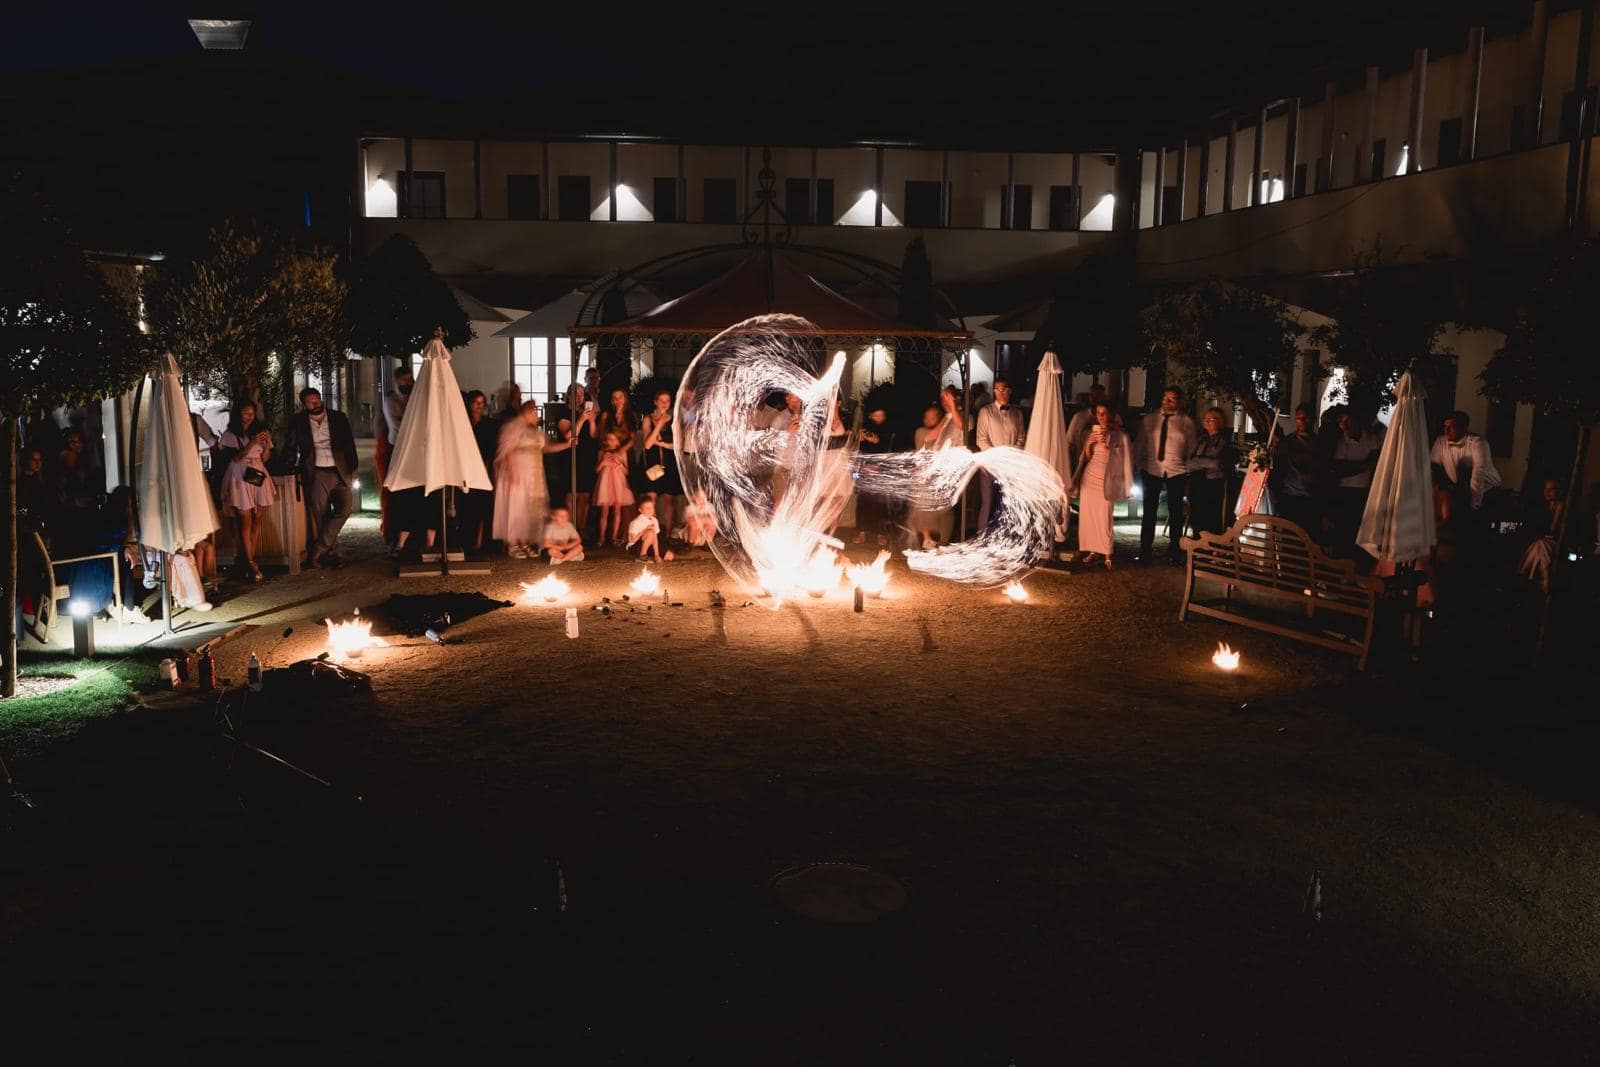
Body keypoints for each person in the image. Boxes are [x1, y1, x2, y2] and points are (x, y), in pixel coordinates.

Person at [286, 387, 358, 568]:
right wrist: (289, 467)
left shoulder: (338, 418)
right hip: (316, 472)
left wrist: (353, 468)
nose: (315, 403)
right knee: (321, 515)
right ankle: (331, 554)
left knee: (345, 509)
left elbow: (349, 444)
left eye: (317, 399)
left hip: (340, 470)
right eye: (310, 402)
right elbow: (291, 447)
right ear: (304, 404)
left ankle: (319, 549)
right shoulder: (298, 422)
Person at [493, 400, 573, 559]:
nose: (536, 415)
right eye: (534, 411)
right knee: (516, 506)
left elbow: (544, 447)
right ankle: (513, 543)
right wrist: (513, 470)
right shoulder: (513, 427)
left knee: (528, 508)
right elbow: (507, 449)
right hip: (518, 473)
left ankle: (525, 542)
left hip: (534, 474)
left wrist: (566, 445)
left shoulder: (535, 431)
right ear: (527, 411)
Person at [1130, 386, 1196, 564]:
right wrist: (1139, 465)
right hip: (1152, 469)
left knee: (1176, 512)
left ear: (1180, 401)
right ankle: (1145, 551)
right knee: (1149, 511)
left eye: (1172, 399)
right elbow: (1140, 444)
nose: (1167, 401)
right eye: (1165, 398)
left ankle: (1175, 551)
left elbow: (1192, 448)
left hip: (1177, 470)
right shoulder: (1149, 419)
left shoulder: (1187, 422)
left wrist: (1188, 469)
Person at [217, 401, 276, 581]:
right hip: (239, 474)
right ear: (238, 414)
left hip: (257, 473)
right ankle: (249, 562)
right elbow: (235, 458)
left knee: (257, 517)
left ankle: (250, 558)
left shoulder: (259, 432)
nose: (250, 416)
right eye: (246, 413)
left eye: (252, 413)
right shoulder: (230, 435)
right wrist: (251, 443)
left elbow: (265, 458)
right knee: (245, 518)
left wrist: (266, 444)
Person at [1075, 401, 1132, 567]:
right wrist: (1089, 444)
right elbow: (1087, 458)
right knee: (1089, 516)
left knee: (1105, 516)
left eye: (1104, 413)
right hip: (1090, 477)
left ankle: (1107, 554)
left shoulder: (1120, 435)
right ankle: (1092, 551)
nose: (1100, 416)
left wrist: (1109, 447)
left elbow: (1125, 459)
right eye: (1098, 413)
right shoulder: (1091, 432)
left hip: (1107, 479)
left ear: (1111, 414)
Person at [907, 395, 966, 549]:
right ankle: (926, 539)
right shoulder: (921, 432)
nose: (929, 420)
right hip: (924, 476)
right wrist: (948, 416)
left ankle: (944, 541)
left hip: (941, 474)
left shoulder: (946, 429)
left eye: (933, 417)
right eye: (926, 417)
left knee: (945, 509)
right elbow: (932, 436)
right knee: (921, 508)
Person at [1328, 405, 1385, 556]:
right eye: (1340, 422)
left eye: (1347, 421)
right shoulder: (1341, 442)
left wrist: (1358, 466)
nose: (1344, 425)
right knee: (1344, 529)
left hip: (1364, 491)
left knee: (1360, 530)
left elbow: (1378, 460)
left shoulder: (1370, 438)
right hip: (1345, 491)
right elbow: (1341, 469)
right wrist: (1364, 465)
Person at [1430, 409, 1501, 523]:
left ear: (1464, 428)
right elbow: (1433, 468)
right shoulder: (1440, 442)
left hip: (1487, 490)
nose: (1446, 430)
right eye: (1445, 426)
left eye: (1451, 427)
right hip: (1462, 490)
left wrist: (1474, 506)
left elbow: (1478, 475)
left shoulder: (1478, 444)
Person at [976, 376, 1027, 530]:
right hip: (990, 466)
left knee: (1007, 503)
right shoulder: (986, 412)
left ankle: (1004, 535)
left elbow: (1021, 437)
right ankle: (982, 536)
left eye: (1003, 389)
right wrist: (998, 458)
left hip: (1010, 466)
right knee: (988, 503)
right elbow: (981, 440)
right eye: (997, 389)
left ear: (1009, 391)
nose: (1000, 393)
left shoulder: (1017, 413)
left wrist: (1010, 456)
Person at [1270, 404, 1326, 536]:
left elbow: (1323, 472)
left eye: (1306, 418)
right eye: (1299, 418)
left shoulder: (1320, 444)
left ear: (1313, 419)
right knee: (1289, 538)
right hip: (1290, 498)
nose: (1303, 421)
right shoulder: (1286, 443)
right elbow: (1278, 469)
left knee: (1310, 538)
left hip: (1312, 500)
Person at [1186, 407, 1238, 538]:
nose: (1208, 422)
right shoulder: (1200, 440)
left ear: (1220, 421)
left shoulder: (1224, 441)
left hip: (1213, 484)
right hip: (1196, 482)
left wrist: (1199, 461)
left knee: (1211, 517)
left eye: (1212, 419)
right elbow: (1188, 462)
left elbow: (1218, 463)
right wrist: (1206, 461)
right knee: (1196, 516)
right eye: (1206, 419)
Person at [378, 364, 414, 546]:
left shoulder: (415, 397)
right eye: (405, 380)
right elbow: (397, 424)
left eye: (410, 379)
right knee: (398, 492)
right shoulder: (391, 401)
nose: (409, 382)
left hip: (412, 448)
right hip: (397, 448)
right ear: (398, 381)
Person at [639, 388, 682, 537]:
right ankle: (652, 533)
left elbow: (678, 444)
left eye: (667, 401)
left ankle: (668, 533)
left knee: (669, 499)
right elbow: (647, 444)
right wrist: (659, 424)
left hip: (669, 461)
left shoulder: (674, 419)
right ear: (655, 402)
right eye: (662, 401)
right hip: (652, 461)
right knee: (651, 498)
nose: (664, 404)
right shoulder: (648, 419)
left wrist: (661, 443)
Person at [854, 405, 897, 545]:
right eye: (875, 415)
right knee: (863, 503)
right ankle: (861, 532)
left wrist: (877, 442)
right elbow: (858, 452)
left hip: (881, 472)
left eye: (881, 415)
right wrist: (860, 439)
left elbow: (890, 451)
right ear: (870, 415)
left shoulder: (889, 432)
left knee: (880, 504)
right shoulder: (864, 429)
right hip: (865, 472)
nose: (878, 418)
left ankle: (881, 533)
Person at [463, 390, 500, 553]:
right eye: (476, 403)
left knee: (483, 506)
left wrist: (489, 468)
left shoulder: (489, 425)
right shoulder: (463, 423)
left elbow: (491, 449)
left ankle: (479, 541)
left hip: (483, 467)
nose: (479, 406)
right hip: (467, 468)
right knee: (468, 505)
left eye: (482, 403)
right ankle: (467, 538)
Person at [567, 384, 601, 540]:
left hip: (587, 456)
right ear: (569, 396)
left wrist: (592, 420)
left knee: (585, 495)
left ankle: (581, 528)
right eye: (576, 394)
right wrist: (581, 419)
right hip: (571, 455)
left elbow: (594, 435)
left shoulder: (586, 412)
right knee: (572, 494)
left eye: (581, 394)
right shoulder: (565, 413)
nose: (579, 397)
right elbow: (569, 435)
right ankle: (569, 528)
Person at [1517, 479, 1565, 585]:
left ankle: (1524, 573)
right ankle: (1545, 579)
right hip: (1545, 542)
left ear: (1559, 491)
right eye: (1546, 489)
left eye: (1551, 489)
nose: (1547, 492)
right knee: (1539, 546)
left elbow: (1553, 529)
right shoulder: (1545, 507)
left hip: (1557, 542)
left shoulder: (1561, 506)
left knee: (1541, 545)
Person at [594, 431, 635, 547]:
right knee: (604, 511)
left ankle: (614, 537)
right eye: (609, 439)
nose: (611, 442)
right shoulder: (602, 452)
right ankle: (601, 537)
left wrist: (620, 465)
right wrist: (603, 463)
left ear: (618, 441)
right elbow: (597, 470)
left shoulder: (622, 453)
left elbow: (626, 472)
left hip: (618, 483)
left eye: (613, 439)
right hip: (605, 483)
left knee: (617, 510)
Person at [55, 428, 101, 515]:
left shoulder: (82, 458)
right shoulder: (69, 455)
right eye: (72, 442)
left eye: (79, 441)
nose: (77, 444)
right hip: (71, 507)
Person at [1066, 382, 1109, 461]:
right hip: (1081, 461)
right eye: (1092, 396)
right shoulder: (1079, 417)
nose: (1094, 399)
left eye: (1098, 396)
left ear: (1104, 397)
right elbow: (1069, 442)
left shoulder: (1113, 418)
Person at [626, 496, 671, 562]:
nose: (650, 510)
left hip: (648, 545)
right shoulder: (636, 522)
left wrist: (657, 555)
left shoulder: (654, 520)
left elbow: (655, 538)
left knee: (669, 556)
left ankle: (648, 556)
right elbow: (632, 540)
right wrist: (644, 530)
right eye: (647, 508)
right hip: (635, 547)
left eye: (652, 507)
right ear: (640, 510)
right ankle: (642, 556)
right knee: (650, 532)